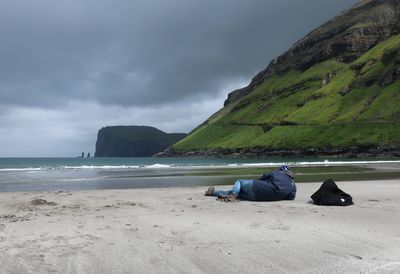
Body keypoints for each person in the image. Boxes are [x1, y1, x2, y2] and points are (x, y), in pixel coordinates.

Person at [205, 165, 296, 202]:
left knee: (239, 182)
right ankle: (213, 193)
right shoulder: (293, 186)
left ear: (282, 170)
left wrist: (257, 183)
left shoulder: (277, 173)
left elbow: (262, 177)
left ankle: (232, 195)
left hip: (257, 189)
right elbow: (291, 198)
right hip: (259, 198)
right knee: (238, 191)